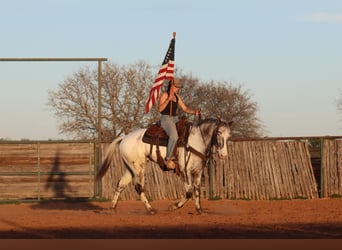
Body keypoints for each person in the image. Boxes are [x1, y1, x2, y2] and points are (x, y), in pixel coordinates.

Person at [158, 78, 201, 170]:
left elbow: (185, 108)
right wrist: (167, 100)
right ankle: (168, 158)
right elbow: (160, 109)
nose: (178, 88)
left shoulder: (177, 97)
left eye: (179, 87)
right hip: (166, 119)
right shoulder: (165, 95)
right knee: (174, 136)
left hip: (175, 118)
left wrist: (194, 112)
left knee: (187, 130)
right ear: (172, 86)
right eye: (176, 87)